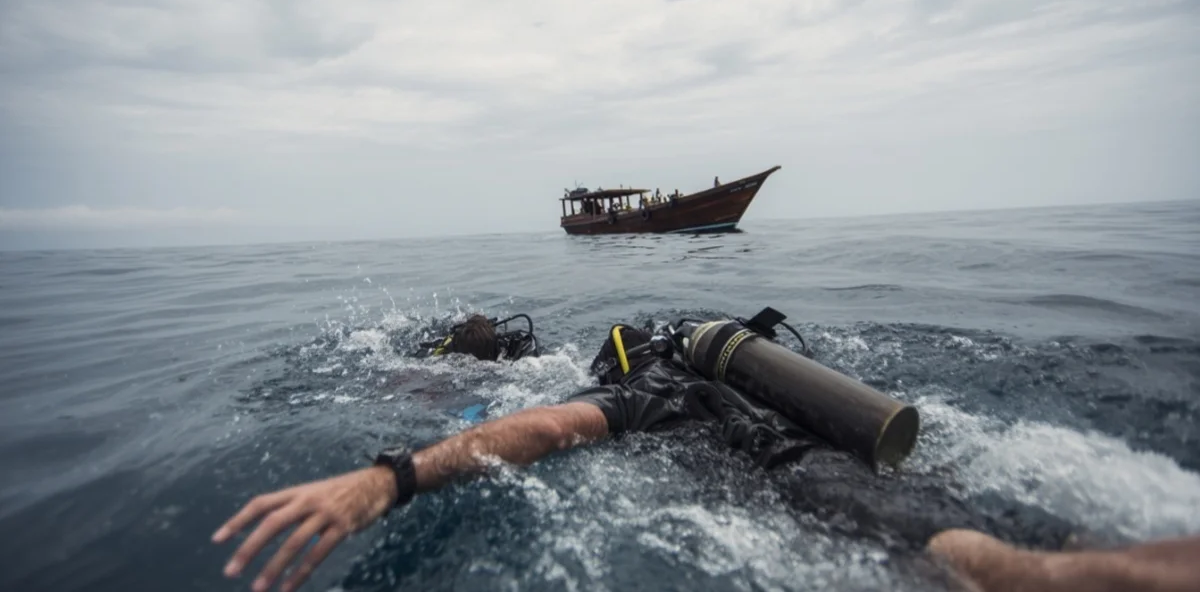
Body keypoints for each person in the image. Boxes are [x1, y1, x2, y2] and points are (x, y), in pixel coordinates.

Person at [214, 323, 1200, 592]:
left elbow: (546, 430)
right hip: (861, 451)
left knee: (1003, 568)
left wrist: (388, 476)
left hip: (803, 478)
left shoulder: (642, 390)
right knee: (1046, 538)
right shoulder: (721, 371)